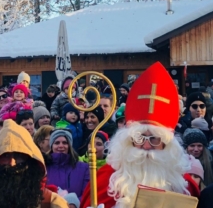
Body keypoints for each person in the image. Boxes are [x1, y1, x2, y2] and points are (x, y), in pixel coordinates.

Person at [81, 62, 200, 208]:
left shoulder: (184, 184)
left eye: (154, 138)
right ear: (128, 141)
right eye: (139, 137)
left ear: (166, 144)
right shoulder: (104, 179)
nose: (146, 145)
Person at [0, 119, 69, 208]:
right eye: (6, 156)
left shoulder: (52, 203)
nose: (12, 163)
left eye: (19, 156)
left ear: (31, 162)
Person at [45, 128, 89, 197]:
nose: (61, 146)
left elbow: (86, 194)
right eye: (57, 143)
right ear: (51, 146)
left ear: (69, 146)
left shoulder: (84, 168)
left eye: (65, 143)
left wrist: (74, 204)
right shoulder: (44, 167)